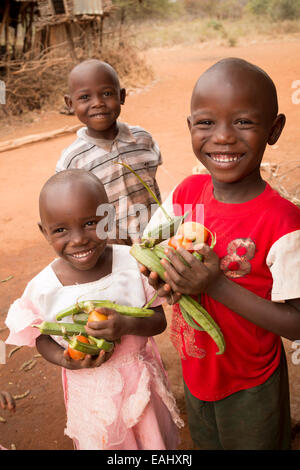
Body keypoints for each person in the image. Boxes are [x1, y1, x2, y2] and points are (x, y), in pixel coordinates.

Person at [140, 57, 300, 450]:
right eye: (207, 123)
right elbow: (153, 252)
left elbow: (297, 325)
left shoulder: (284, 223)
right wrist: (164, 275)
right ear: (190, 127)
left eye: (243, 122)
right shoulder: (186, 194)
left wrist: (215, 285)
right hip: (196, 370)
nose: (224, 137)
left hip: (251, 383)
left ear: (274, 129)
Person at [5, 169, 183, 450]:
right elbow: (41, 337)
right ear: (44, 231)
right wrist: (64, 359)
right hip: (91, 396)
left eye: (90, 223)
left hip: (141, 386)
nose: (78, 240)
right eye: (61, 230)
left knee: (152, 441)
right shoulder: (43, 288)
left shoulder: (132, 264)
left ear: (108, 219)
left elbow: (157, 320)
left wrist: (126, 324)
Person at [56, 59, 162, 245]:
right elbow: (72, 208)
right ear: (70, 103)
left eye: (106, 93)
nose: (98, 103)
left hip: (156, 236)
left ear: (121, 96)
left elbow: (152, 180)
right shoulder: (73, 160)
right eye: (85, 97)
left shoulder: (142, 139)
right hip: (111, 247)